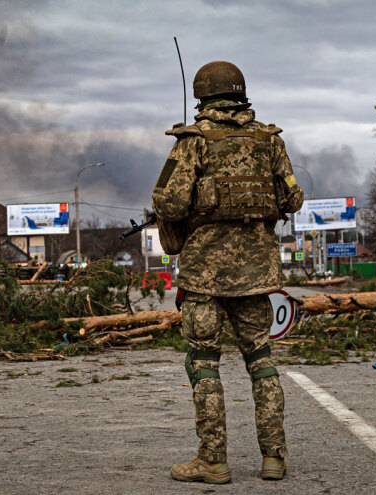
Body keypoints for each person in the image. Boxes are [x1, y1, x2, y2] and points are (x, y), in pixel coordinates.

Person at [152, 60, 304, 484]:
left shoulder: (193, 141)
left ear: (202, 96)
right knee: (261, 360)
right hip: (257, 272)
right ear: (241, 94)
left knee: (203, 362)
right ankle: (274, 456)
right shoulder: (270, 141)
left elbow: (168, 203)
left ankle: (213, 460)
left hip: (204, 274)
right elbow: (293, 198)